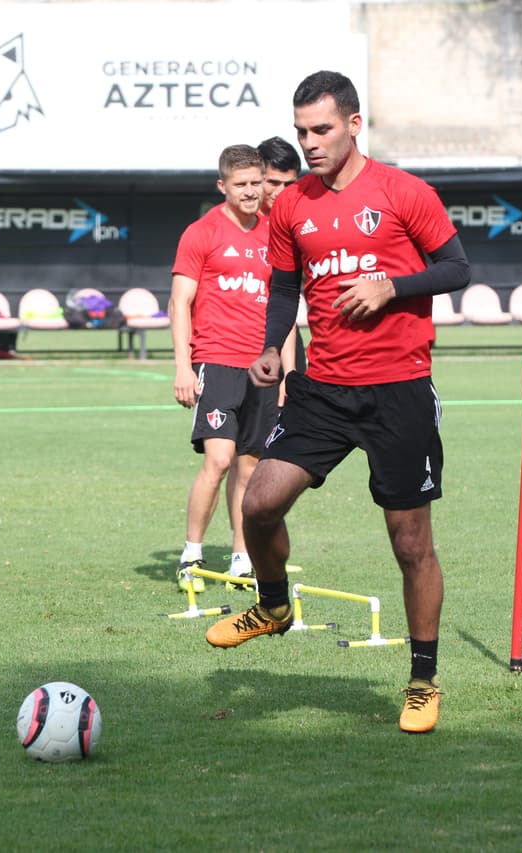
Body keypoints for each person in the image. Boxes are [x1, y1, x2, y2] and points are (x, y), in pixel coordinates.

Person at [205, 70, 471, 735]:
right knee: (259, 504)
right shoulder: (293, 202)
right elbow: (285, 286)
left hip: (399, 388)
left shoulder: (404, 192)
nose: (309, 142)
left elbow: (458, 267)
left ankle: (422, 678)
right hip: (322, 388)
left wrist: (393, 286)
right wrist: (272, 346)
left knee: (409, 542)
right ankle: (273, 605)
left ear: (355, 124)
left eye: (321, 129)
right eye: (301, 131)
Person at [170, 144, 292, 592]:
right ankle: (191, 554)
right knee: (218, 460)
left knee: (251, 467)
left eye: (256, 183)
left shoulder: (275, 236)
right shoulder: (200, 233)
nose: (250, 192)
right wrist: (184, 367)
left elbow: (285, 310)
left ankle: (241, 558)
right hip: (216, 360)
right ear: (222, 186)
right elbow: (180, 302)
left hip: (262, 367)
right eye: (240, 185)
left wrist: (287, 374)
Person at [258, 135, 307, 376]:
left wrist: (290, 372)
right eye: (273, 183)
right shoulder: (227, 225)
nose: (281, 192)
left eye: (289, 184)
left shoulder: (300, 226)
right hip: (239, 341)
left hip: (285, 336)